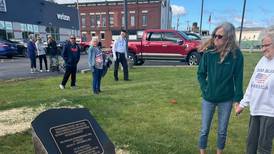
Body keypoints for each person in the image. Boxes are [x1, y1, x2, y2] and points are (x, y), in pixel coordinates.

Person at [197, 22, 244, 154]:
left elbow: (238, 79)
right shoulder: (209, 53)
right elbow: (200, 74)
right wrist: (205, 88)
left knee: (222, 131)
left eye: (219, 36)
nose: (215, 38)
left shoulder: (237, 55)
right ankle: (202, 152)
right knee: (204, 129)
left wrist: (237, 100)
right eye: (214, 35)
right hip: (209, 98)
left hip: (226, 99)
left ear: (228, 38)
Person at [235, 31, 274, 154]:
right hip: (255, 109)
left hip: (270, 112)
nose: (263, 49)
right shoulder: (262, 60)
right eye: (262, 46)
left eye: (266, 45)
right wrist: (242, 104)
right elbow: (253, 83)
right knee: (251, 144)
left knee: (264, 147)